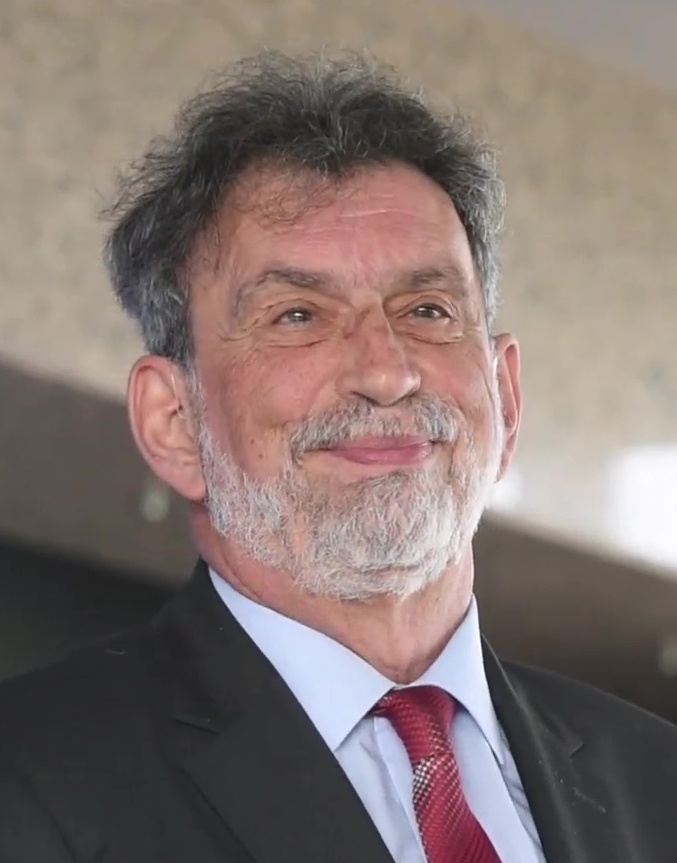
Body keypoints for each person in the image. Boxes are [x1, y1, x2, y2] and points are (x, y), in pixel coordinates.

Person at [0, 49, 676, 863]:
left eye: (427, 309)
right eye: (297, 315)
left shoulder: (658, 783)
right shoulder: (31, 779)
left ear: (505, 397)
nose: (385, 372)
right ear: (174, 422)